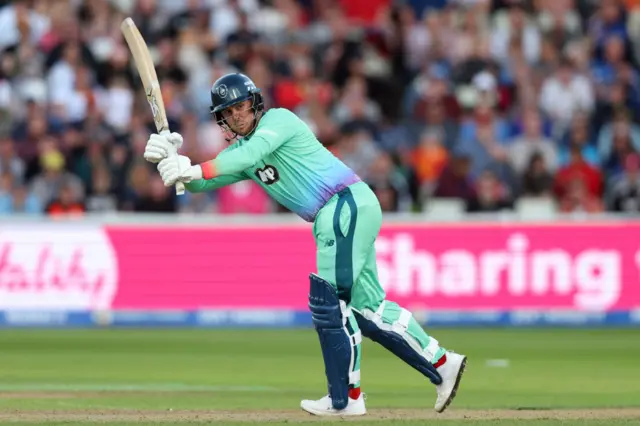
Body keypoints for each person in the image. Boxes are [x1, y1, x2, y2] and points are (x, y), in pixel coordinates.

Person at [143, 73, 467, 416]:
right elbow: (203, 182)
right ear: (221, 118)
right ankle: (443, 363)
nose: (237, 114)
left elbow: (242, 156)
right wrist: (173, 161)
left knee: (331, 305)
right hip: (348, 210)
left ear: (254, 103)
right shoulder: (240, 152)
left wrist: (193, 169)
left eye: (240, 106)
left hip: (342, 206)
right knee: (368, 309)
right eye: (228, 111)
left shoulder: (278, 121)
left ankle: (347, 398)